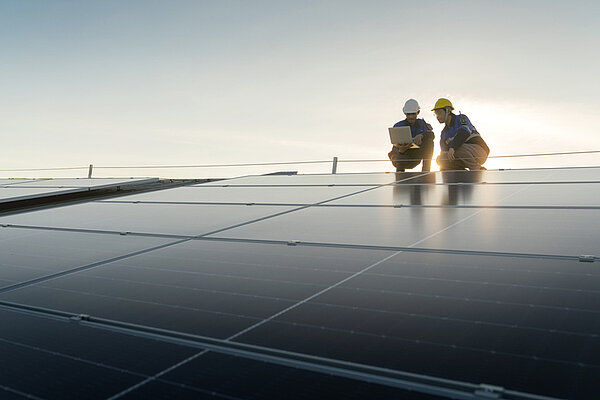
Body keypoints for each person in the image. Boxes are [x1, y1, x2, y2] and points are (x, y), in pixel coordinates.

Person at [431, 98, 490, 171]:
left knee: (458, 148)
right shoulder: (444, 133)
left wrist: (453, 147)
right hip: (462, 155)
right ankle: (461, 173)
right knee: (440, 159)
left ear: (448, 111)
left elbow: (464, 132)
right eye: (436, 114)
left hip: (480, 151)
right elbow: (444, 153)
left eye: (439, 112)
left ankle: (477, 169)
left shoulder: (461, 118)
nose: (437, 116)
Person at [388, 99, 435, 172]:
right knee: (397, 156)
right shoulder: (398, 126)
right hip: (401, 155)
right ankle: (400, 175)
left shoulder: (422, 124)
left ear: (418, 112)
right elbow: (395, 146)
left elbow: (432, 135)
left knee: (429, 141)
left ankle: (426, 172)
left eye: (413, 114)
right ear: (404, 113)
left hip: (415, 155)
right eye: (408, 114)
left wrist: (422, 135)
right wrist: (401, 150)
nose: (411, 117)